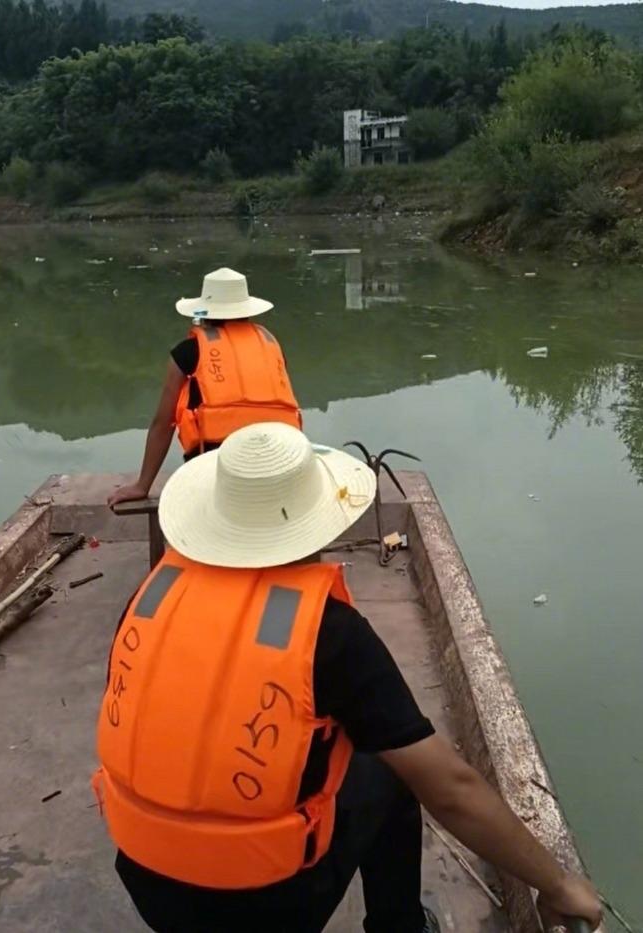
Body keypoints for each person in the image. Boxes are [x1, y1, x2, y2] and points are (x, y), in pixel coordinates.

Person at [94, 424, 602, 933]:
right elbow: (451, 790)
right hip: (261, 909)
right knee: (393, 770)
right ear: (316, 522)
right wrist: (557, 885)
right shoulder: (327, 633)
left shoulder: (151, 598)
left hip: (147, 882)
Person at [107, 267, 300, 507]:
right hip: (283, 462)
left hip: (218, 470)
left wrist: (142, 486)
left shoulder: (188, 352)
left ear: (205, 314)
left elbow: (163, 423)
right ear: (246, 311)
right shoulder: (270, 344)